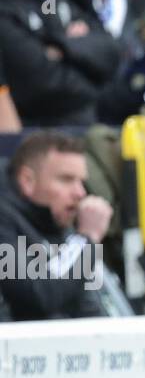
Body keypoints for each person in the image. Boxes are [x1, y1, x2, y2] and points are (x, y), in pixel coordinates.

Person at [0, 131, 114, 320]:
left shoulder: (55, 220)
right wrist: (86, 240)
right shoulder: (4, 223)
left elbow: (88, 308)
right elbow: (41, 296)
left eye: (81, 182)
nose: (80, 193)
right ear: (27, 181)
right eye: (66, 179)